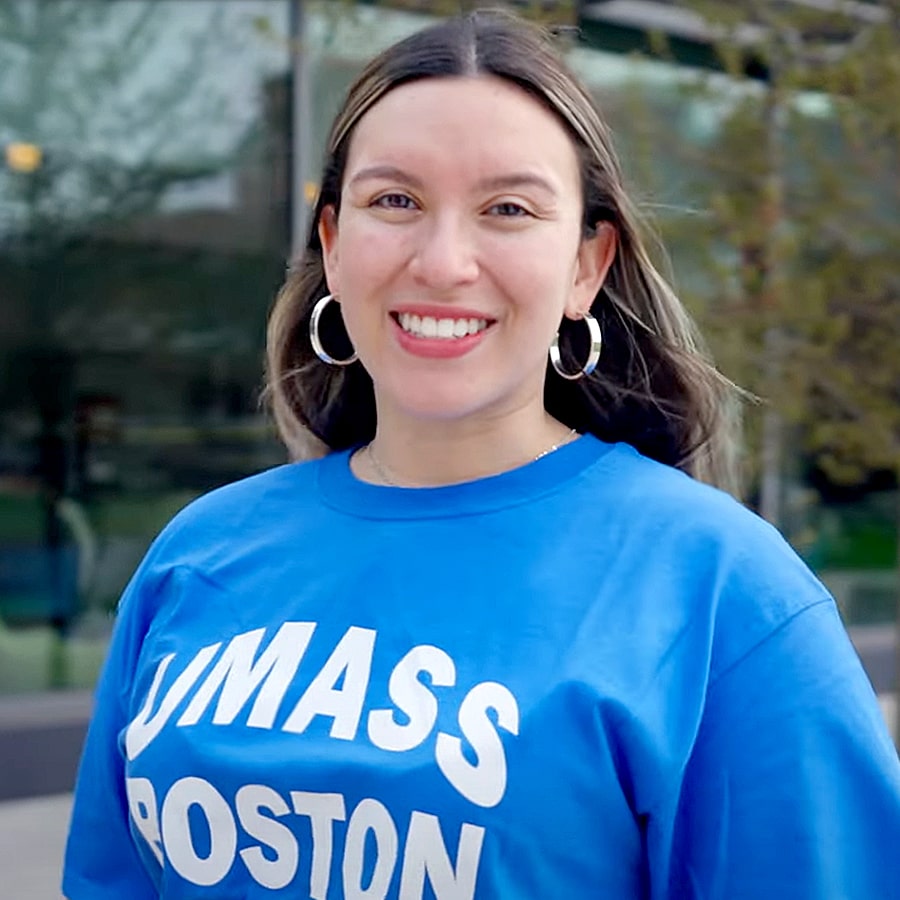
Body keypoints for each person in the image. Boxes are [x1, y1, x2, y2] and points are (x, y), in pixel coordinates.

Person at [62, 10, 900, 899]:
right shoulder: (200, 554)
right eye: (396, 201)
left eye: (507, 209)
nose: (444, 261)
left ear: (588, 266)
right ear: (335, 245)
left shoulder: (722, 591)